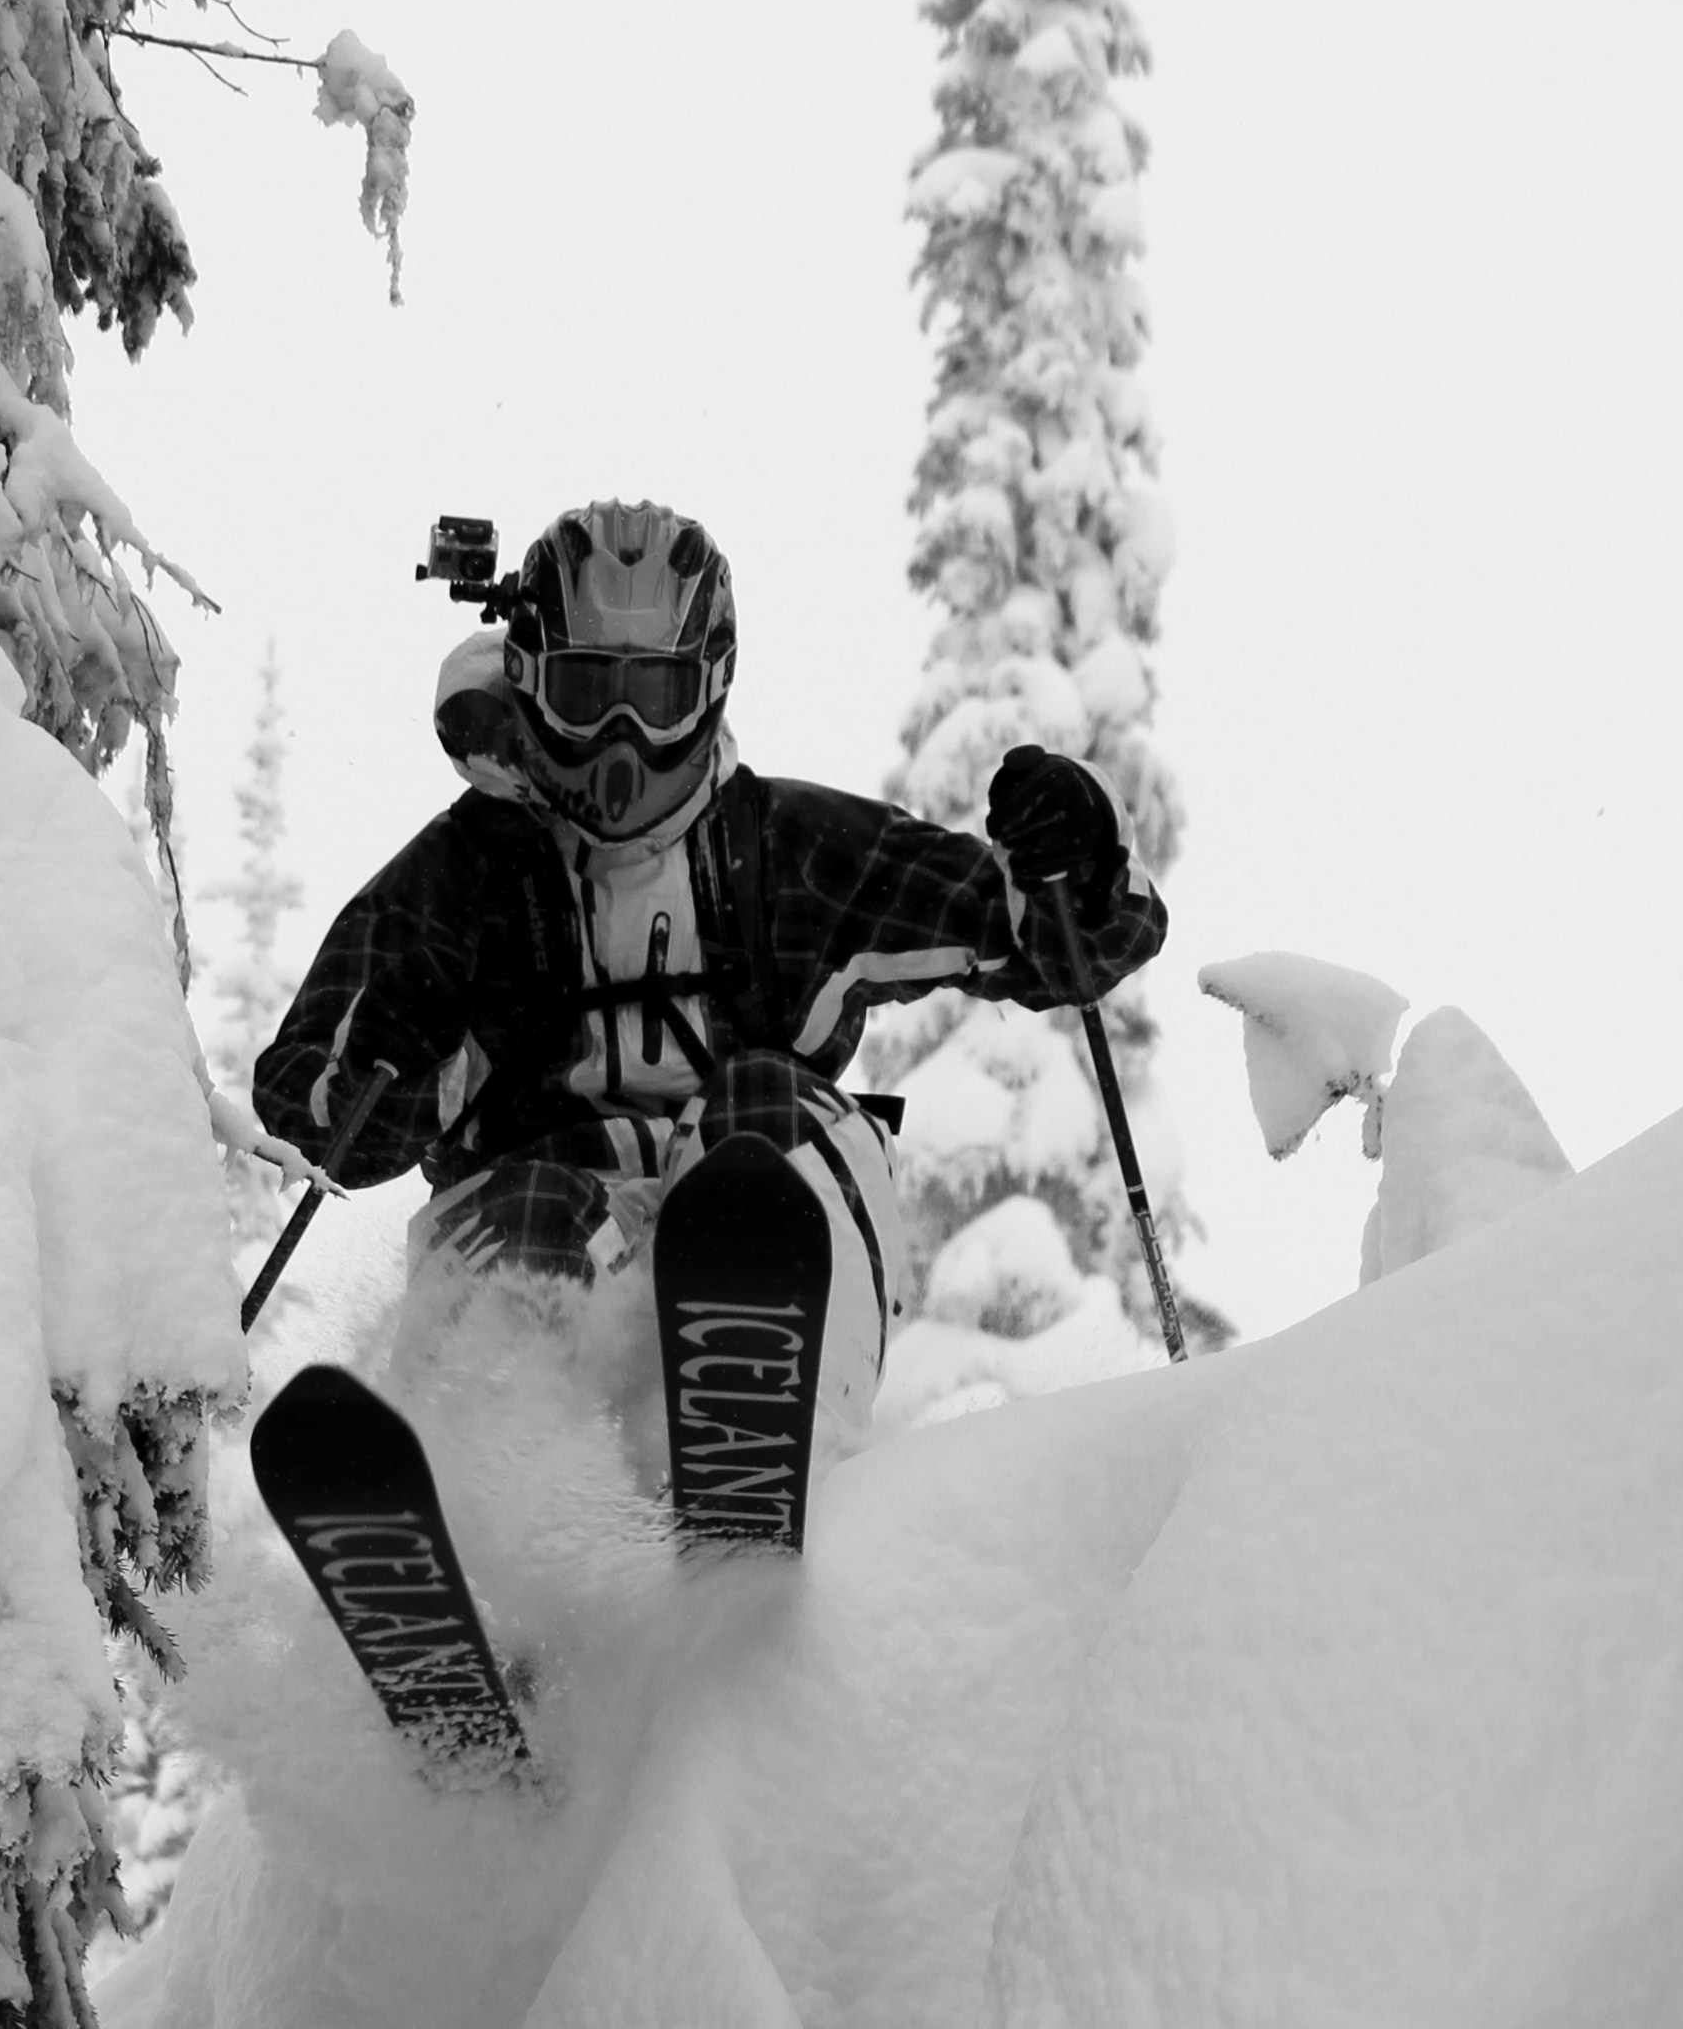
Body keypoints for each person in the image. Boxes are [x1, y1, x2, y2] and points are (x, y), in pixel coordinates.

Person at [252, 498, 1167, 1456]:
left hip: (768, 1209)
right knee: (530, 1210)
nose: (619, 743)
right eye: (583, 692)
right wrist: (421, 1051)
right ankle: (489, 1498)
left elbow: (1074, 948)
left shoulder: (791, 855)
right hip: (544, 1225)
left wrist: (1079, 862)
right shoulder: (466, 879)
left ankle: (765, 1423)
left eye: (651, 699)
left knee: (762, 1114)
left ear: (710, 686)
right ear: (527, 682)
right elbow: (306, 1116)